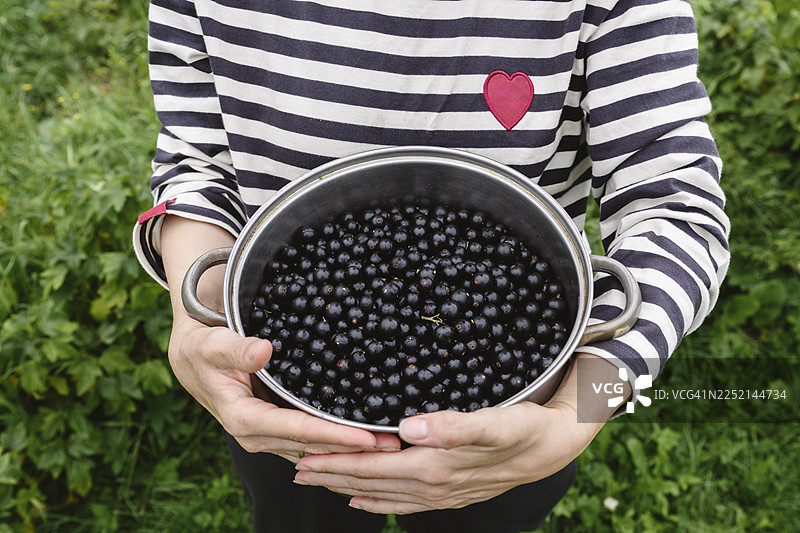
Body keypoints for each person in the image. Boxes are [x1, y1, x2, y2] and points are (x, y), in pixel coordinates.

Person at [133, 1, 730, 531]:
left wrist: (577, 414)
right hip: (284, 408)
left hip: (515, 430)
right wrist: (194, 324)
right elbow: (197, 162)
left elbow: (679, 213)